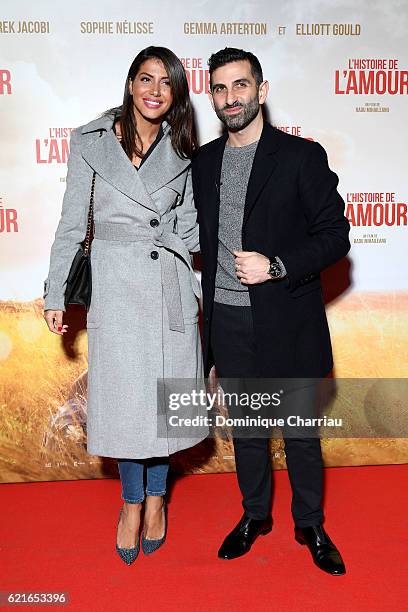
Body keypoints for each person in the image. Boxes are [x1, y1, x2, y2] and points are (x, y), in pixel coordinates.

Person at [43, 46, 207, 565]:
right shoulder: (90, 142)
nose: (155, 91)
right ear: (130, 84)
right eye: (146, 79)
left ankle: (156, 499)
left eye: (166, 82)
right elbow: (72, 225)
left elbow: (189, 229)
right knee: (126, 408)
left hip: (168, 289)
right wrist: (55, 294)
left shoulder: (185, 151)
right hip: (116, 291)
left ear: (176, 92)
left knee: (162, 407)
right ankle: (131, 503)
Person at [191, 47, 350, 575]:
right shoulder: (204, 163)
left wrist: (276, 265)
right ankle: (255, 514)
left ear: (260, 91)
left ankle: (310, 522)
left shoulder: (302, 157)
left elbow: (335, 237)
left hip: (288, 320)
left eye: (240, 86)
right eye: (219, 88)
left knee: (301, 434)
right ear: (211, 96)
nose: (230, 97)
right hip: (229, 322)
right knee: (250, 433)